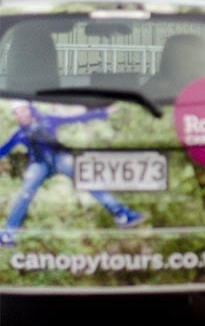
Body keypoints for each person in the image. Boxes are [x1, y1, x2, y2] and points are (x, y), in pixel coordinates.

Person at [0, 100, 144, 246]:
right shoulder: (19, 134)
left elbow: (75, 118)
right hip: (39, 164)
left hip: (59, 157)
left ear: (30, 110)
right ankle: (8, 233)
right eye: (18, 113)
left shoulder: (47, 120)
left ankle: (121, 214)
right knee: (25, 193)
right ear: (15, 116)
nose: (22, 115)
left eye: (24, 111)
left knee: (86, 178)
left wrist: (102, 113)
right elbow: (4, 149)